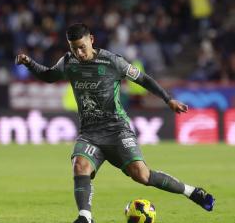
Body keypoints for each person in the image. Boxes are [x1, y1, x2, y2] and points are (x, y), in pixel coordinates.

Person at [15, 23, 215, 223]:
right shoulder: (68, 62)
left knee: (142, 175)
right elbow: (50, 76)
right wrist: (29, 63)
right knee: (80, 165)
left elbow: (143, 79)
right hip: (90, 133)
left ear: (91, 39)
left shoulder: (112, 61)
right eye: (73, 48)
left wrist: (168, 98)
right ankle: (85, 217)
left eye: (82, 47)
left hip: (118, 130)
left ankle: (192, 192)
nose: (78, 52)